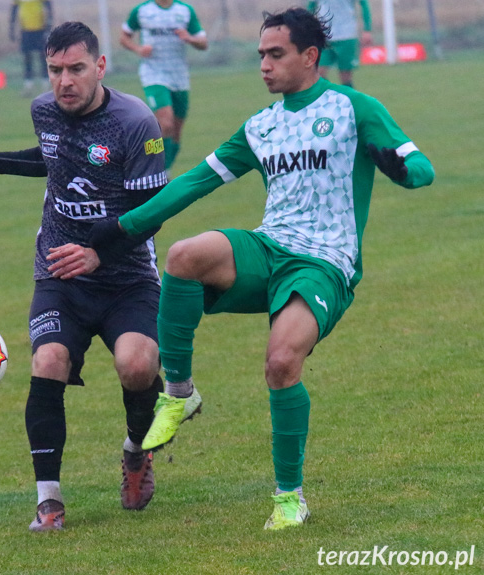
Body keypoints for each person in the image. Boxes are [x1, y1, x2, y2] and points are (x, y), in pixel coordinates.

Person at [91, 8, 434, 530]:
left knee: (280, 364)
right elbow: (193, 183)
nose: (265, 66)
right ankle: (179, 392)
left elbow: (423, 171)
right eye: (261, 56)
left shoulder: (355, 108)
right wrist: (123, 229)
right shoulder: (262, 125)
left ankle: (289, 497)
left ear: (310, 56)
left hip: (324, 262)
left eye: (276, 55)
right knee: (183, 255)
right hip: (269, 247)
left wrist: (398, 167)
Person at [0, 21, 173, 531]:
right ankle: (49, 501)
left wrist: (97, 252)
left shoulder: (136, 122)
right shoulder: (44, 109)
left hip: (127, 275)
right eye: (56, 70)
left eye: (76, 69)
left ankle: (135, 452)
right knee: (49, 360)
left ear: (100, 66)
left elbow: (152, 208)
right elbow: (51, 159)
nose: (65, 80)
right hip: (59, 272)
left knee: (136, 365)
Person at [120, 0, 208, 173]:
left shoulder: (185, 10)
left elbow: (203, 43)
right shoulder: (142, 11)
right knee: (164, 123)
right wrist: (138, 49)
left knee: (175, 132)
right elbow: (123, 37)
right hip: (153, 74)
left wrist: (189, 38)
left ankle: (163, 170)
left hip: (179, 77)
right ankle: (156, 172)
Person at [308, 0, 372, 87]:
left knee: (345, 76)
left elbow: (363, 4)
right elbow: (311, 6)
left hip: (346, 34)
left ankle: (348, 99)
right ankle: (331, 97)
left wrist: (367, 29)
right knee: (319, 72)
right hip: (323, 35)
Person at [9, 0, 53, 97]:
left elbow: (48, 6)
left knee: (43, 57)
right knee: (27, 58)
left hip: (40, 29)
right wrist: (11, 28)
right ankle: (28, 85)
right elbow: (14, 9)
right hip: (25, 30)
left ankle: (46, 84)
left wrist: (49, 26)